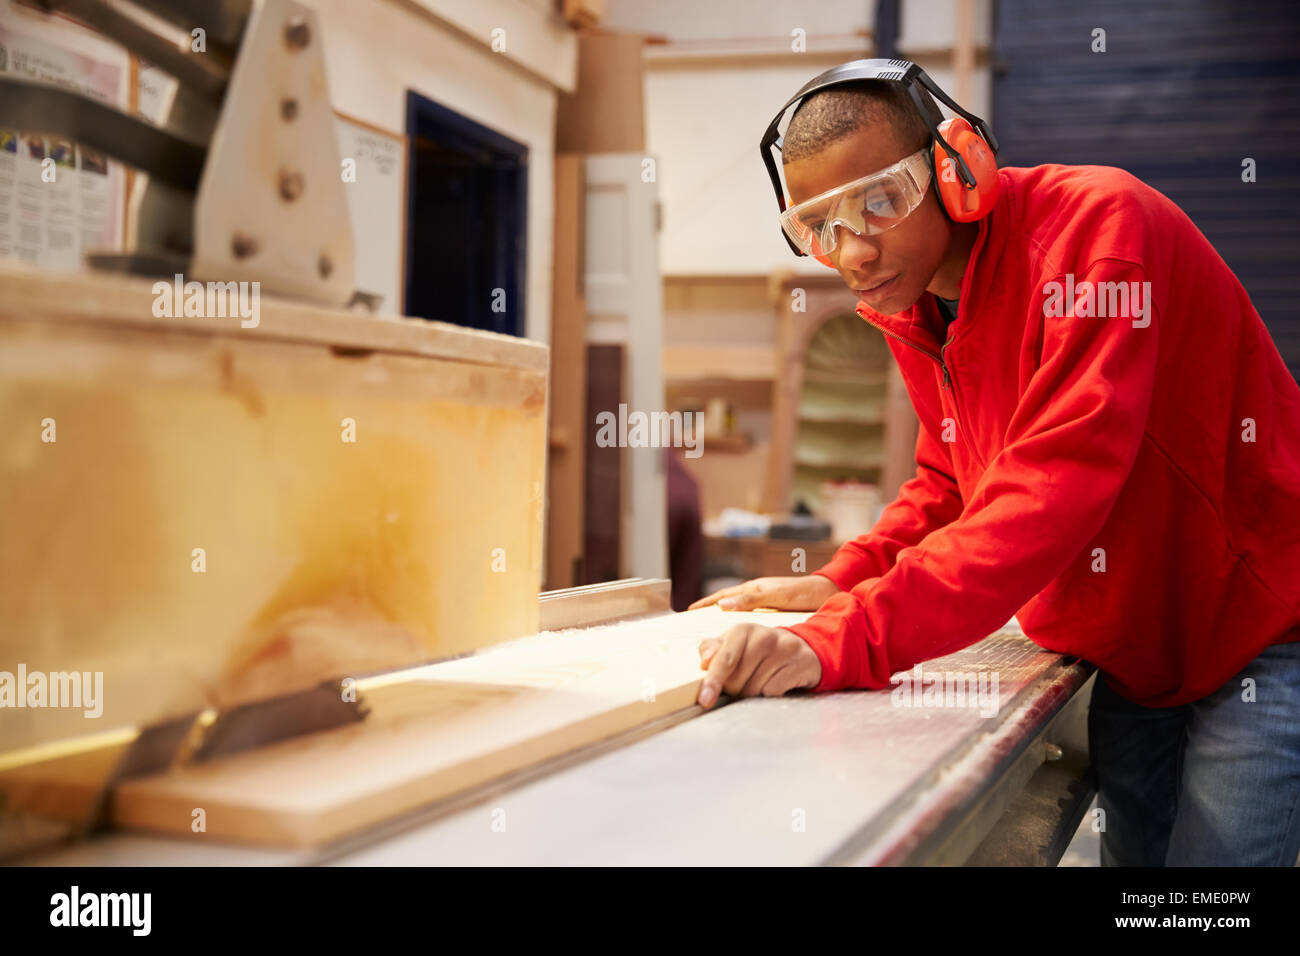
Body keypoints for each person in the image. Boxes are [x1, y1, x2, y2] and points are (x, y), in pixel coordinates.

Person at [690, 61, 1300, 866]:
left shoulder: (1098, 235)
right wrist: (847, 577)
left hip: (1259, 629)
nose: (854, 252)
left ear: (958, 166)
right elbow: (953, 481)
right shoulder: (915, 301)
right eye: (819, 226)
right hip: (1135, 653)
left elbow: (1054, 484)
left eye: (881, 201)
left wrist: (846, 638)